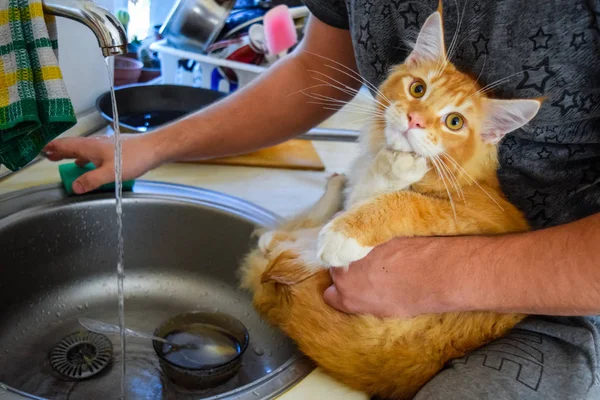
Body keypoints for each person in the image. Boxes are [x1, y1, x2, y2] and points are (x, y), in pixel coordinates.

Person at [44, 1, 600, 398]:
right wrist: (149, 148)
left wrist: (436, 275)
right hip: (365, 270)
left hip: (542, 305)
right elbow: (313, 69)